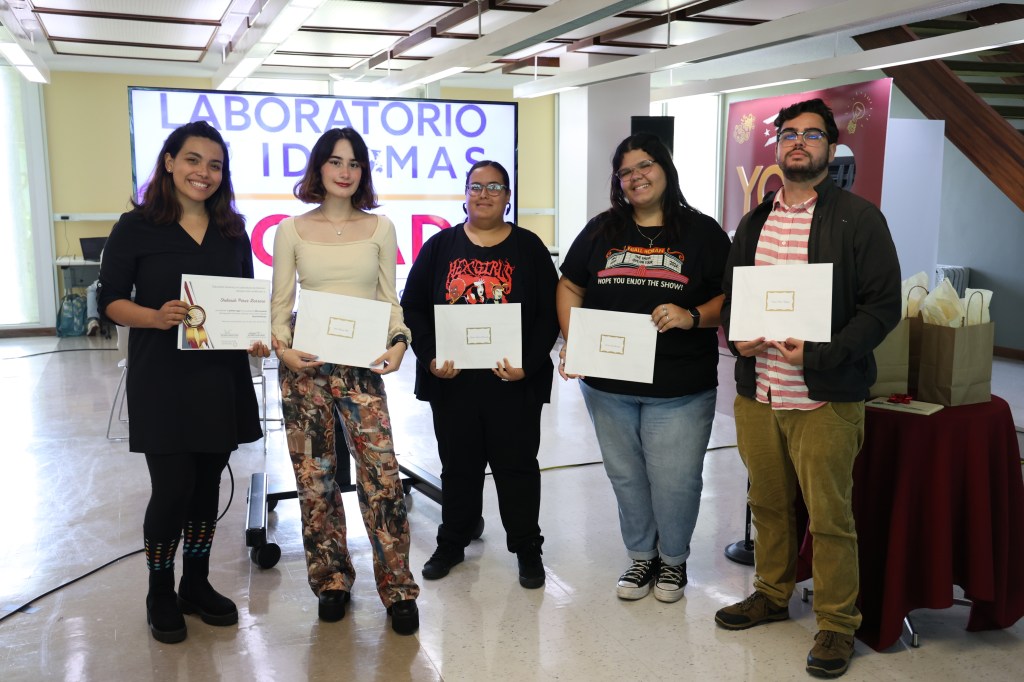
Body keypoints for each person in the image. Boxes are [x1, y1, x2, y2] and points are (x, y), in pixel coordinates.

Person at [716, 98, 901, 679]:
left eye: (812, 135)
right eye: (789, 133)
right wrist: (736, 336)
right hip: (759, 393)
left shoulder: (858, 219)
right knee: (767, 504)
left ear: (831, 148)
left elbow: (882, 307)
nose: (798, 143)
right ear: (777, 146)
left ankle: (836, 624)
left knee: (830, 517)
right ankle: (772, 593)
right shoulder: (753, 222)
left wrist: (822, 352)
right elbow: (733, 298)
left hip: (825, 396)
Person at [98, 120, 268, 644]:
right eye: (193, 160)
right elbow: (109, 301)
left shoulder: (232, 229)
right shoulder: (136, 226)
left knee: (207, 487)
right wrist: (155, 316)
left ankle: (196, 582)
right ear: (169, 162)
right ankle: (159, 589)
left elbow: (242, 297)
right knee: (172, 489)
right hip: (163, 379)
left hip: (219, 377)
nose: (204, 173)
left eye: (215, 165)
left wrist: (254, 335)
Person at [556, 133, 731, 603]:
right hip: (608, 385)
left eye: (645, 166)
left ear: (665, 169)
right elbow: (571, 284)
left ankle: (673, 561)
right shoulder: (602, 230)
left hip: (679, 386)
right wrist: (575, 341)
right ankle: (641, 557)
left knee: (675, 478)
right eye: (626, 171)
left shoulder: (701, 232)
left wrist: (691, 315)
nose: (636, 177)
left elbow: (728, 297)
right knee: (626, 476)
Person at [270, 127, 419, 635]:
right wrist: (283, 348)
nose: (344, 171)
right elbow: (279, 308)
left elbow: (389, 300)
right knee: (315, 479)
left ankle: (398, 587)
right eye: (335, 161)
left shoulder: (380, 227)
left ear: (363, 173)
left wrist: (400, 342)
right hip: (305, 369)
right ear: (318, 168)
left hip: (360, 369)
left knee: (381, 475)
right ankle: (331, 580)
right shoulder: (290, 230)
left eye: (354, 164)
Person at [400, 160, 559, 588]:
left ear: (508, 197)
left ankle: (527, 547)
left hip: (512, 382)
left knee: (518, 466)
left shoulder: (529, 248)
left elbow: (549, 314)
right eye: (476, 186)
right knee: (458, 466)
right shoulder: (439, 247)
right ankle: (453, 540)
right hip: (454, 382)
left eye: (494, 187)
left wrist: (529, 360)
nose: (484, 194)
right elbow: (412, 306)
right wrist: (431, 356)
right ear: (464, 194)